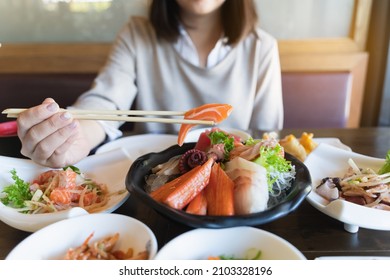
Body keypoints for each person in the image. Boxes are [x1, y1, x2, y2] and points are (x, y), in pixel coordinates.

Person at [16, 0, 283, 168]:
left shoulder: (262, 48)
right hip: (149, 180)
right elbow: (106, 105)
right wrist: (73, 137)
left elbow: (266, 137)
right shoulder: (137, 34)